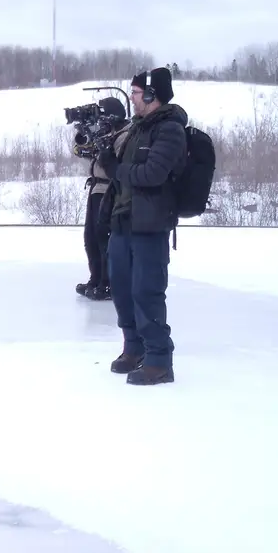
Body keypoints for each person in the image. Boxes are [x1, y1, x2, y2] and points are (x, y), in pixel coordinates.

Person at [96, 67, 187, 385]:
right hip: (123, 221)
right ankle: (134, 348)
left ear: (151, 95)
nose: (132, 98)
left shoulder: (170, 129)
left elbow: (152, 174)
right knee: (122, 289)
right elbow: (125, 169)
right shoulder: (136, 129)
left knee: (146, 292)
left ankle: (159, 360)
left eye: (135, 93)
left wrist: (116, 169)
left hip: (150, 225)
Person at [76, 97, 128, 301]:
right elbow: (86, 153)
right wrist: (87, 139)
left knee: (103, 237)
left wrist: (104, 148)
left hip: (108, 189)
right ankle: (96, 278)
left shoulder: (124, 135)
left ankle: (108, 283)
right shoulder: (107, 133)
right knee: (90, 237)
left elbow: (116, 163)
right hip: (96, 187)